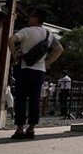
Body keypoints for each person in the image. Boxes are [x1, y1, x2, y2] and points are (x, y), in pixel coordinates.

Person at [7, 8, 64, 140]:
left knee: (21, 98)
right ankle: (31, 128)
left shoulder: (26, 31)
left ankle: (20, 128)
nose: (29, 18)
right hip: (39, 71)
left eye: (31, 16)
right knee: (35, 99)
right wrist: (48, 61)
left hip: (25, 69)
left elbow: (11, 40)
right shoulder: (49, 34)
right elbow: (59, 49)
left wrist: (14, 54)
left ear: (36, 18)